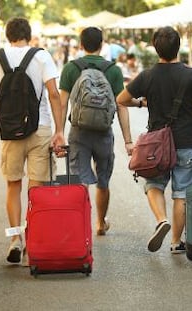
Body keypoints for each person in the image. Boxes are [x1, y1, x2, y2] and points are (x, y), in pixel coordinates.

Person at [0, 17, 64, 264]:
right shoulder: (41, 56)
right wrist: (60, 130)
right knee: (36, 189)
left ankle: (15, 238)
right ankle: (34, 236)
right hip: (41, 128)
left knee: (13, 185)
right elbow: (53, 94)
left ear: (7, 36)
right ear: (29, 35)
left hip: (11, 131)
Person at [117, 26, 192, 254]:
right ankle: (176, 242)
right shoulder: (190, 75)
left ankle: (161, 220)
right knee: (181, 193)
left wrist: (141, 103)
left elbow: (121, 99)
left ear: (155, 47)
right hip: (186, 142)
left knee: (153, 185)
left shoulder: (147, 76)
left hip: (157, 145)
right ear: (178, 46)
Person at [58, 27, 133, 236]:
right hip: (104, 132)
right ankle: (100, 223)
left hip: (78, 132)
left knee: (79, 181)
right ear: (102, 44)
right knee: (103, 180)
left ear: (81, 45)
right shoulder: (113, 70)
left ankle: (80, 224)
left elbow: (62, 104)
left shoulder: (71, 69)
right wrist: (128, 140)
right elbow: (121, 106)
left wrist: (59, 132)